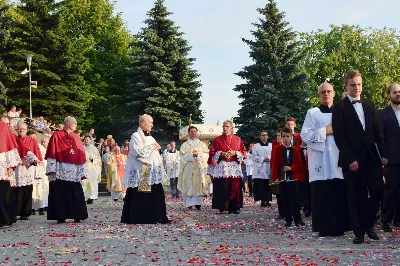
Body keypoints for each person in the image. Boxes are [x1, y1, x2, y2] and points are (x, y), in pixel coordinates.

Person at [332, 70, 387, 244]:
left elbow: (377, 133)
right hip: (352, 160)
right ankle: (359, 232)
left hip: (371, 157)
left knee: (378, 189)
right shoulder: (339, 108)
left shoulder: (370, 105)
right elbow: (339, 137)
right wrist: (350, 159)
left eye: (359, 84)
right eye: (353, 85)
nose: (356, 88)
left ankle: (368, 224)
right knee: (356, 196)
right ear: (346, 86)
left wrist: (383, 154)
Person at [301, 82, 350, 237]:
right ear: (318, 95)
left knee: (339, 191)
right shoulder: (312, 113)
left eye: (329, 91)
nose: (326, 94)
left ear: (334, 93)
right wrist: (325, 131)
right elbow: (305, 135)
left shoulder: (342, 111)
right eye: (323, 92)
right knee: (322, 194)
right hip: (320, 159)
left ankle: (340, 226)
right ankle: (324, 227)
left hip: (339, 157)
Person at [121, 114, 171, 224]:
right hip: (141, 171)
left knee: (156, 193)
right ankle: (140, 217)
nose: (152, 125)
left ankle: (156, 216)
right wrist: (153, 147)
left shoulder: (150, 137)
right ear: (142, 123)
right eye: (150, 123)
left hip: (152, 171)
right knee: (139, 195)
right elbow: (137, 153)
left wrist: (157, 149)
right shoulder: (136, 135)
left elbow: (155, 151)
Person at [45, 116, 88, 223]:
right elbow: (52, 151)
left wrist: (81, 169)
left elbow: (81, 153)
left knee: (75, 191)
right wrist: (52, 168)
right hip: (60, 168)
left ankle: (77, 215)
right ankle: (61, 215)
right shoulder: (56, 135)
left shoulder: (77, 137)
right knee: (60, 192)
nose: (76, 125)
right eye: (75, 123)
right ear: (68, 123)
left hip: (74, 169)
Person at [207, 120, 246, 214]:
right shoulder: (217, 139)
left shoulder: (237, 139)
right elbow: (212, 152)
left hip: (233, 167)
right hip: (222, 166)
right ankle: (222, 206)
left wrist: (234, 153)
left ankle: (234, 207)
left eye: (227, 126)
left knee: (234, 186)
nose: (225, 128)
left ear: (231, 128)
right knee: (222, 186)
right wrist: (221, 153)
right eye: (224, 126)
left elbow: (243, 152)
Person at [271, 127, 305, 227]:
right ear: (281, 138)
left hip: (293, 178)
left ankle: (298, 219)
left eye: (288, 136)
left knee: (295, 200)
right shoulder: (277, 149)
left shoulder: (296, 149)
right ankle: (288, 219)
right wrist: (276, 177)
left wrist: (291, 167)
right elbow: (274, 164)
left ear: (291, 137)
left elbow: (299, 164)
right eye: (284, 137)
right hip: (282, 179)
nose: (286, 138)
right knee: (285, 200)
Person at [379, 83, 400, 232]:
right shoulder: (382, 114)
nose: (398, 94)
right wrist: (383, 156)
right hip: (391, 160)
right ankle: (385, 220)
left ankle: (398, 220)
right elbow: (379, 137)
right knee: (390, 191)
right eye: (395, 92)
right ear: (389, 95)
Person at [12, 123, 42, 220]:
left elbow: (36, 155)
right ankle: (16, 211)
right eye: (19, 129)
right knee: (17, 191)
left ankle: (25, 212)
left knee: (28, 190)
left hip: (29, 168)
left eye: (23, 129)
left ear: (26, 130)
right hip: (17, 168)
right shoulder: (13, 140)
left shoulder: (32, 141)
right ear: (16, 130)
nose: (21, 130)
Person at [177, 126, 210, 210]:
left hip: (199, 168)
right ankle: (189, 204)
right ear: (188, 133)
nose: (193, 133)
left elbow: (207, 155)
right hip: (188, 169)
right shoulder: (185, 145)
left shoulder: (202, 144)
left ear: (197, 132)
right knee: (188, 184)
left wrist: (199, 154)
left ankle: (198, 204)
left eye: (194, 131)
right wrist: (191, 155)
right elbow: (181, 157)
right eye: (191, 131)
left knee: (198, 184)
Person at [0, 118, 25, 226]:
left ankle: (5, 218)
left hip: (3, 169)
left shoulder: (5, 131)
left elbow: (11, 149)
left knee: (4, 196)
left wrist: (10, 166)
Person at [252, 131, 272, 207]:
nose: (264, 136)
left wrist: (269, 158)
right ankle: (263, 200)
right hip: (259, 168)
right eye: (262, 135)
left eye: (265, 135)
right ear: (260, 137)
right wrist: (263, 158)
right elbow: (253, 156)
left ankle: (267, 200)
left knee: (268, 184)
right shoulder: (256, 146)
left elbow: (273, 154)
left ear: (267, 136)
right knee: (261, 185)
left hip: (268, 166)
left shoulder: (271, 145)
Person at [32, 136, 50, 216]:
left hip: (46, 173)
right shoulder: (39, 148)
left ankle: (43, 206)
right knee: (36, 189)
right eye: (42, 142)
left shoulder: (50, 150)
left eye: (44, 142)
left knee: (45, 189)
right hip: (38, 172)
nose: (43, 143)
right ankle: (33, 208)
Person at [82, 136, 101, 204]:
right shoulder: (81, 147)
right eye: (85, 140)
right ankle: (84, 197)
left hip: (92, 167)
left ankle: (91, 197)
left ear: (90, 140)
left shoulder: (94, 148)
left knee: (92, 182)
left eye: (87, 140)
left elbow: (98, 158)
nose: (86, 141)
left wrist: (93, 159)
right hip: (84, 167)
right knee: (84, 182)